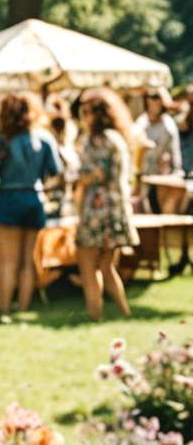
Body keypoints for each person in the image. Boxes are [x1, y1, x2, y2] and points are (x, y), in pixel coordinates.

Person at [0, 92, 61, 319]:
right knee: (28, 261)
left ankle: (4, 310)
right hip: (35, 199)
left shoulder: (4, 139)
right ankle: (23, 309)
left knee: (8, 263)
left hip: (9, 198)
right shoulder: (45, 138)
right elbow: (55, 170)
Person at [74, 88, 140, 321]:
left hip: (98, 208)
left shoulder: (98, 139)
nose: (84, 116)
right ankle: (125, 313)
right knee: (106, 265)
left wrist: (77, 176)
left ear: (98, 114)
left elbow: (95, 174)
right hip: (115, 209)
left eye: (87, 112)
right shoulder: (118, 137)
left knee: (87, 263)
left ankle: (95, 315)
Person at [135, 87, 182, 213]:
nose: (155, 102)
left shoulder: (168, 125)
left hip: (162, 179)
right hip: (143, 176)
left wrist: (175, 171)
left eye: (157, 98)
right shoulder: (141, 122)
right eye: (151, 97)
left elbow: (175, 154)